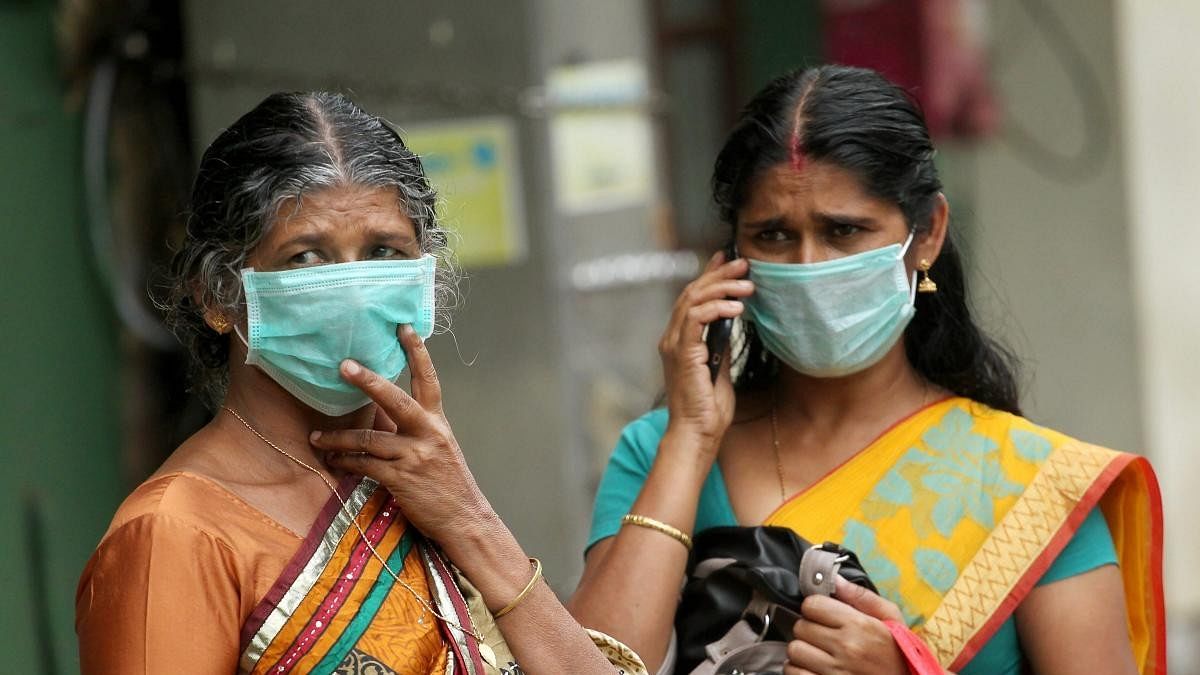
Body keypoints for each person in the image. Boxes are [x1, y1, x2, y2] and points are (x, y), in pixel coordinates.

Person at [568, 65, 1164, 675]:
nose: (807, 266)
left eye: (842, 231)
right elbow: (587, 667)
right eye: (773, 235)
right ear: (734, 257)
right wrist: (691, 437)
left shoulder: (1028, 492)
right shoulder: (661, 451)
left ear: (926, 232)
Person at [75, 91, 646, 675]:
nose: (353, 288)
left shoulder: (425, 490)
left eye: (382, 251)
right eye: (305, 257)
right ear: (216, 295)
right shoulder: (175, 535)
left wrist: (472, 521)